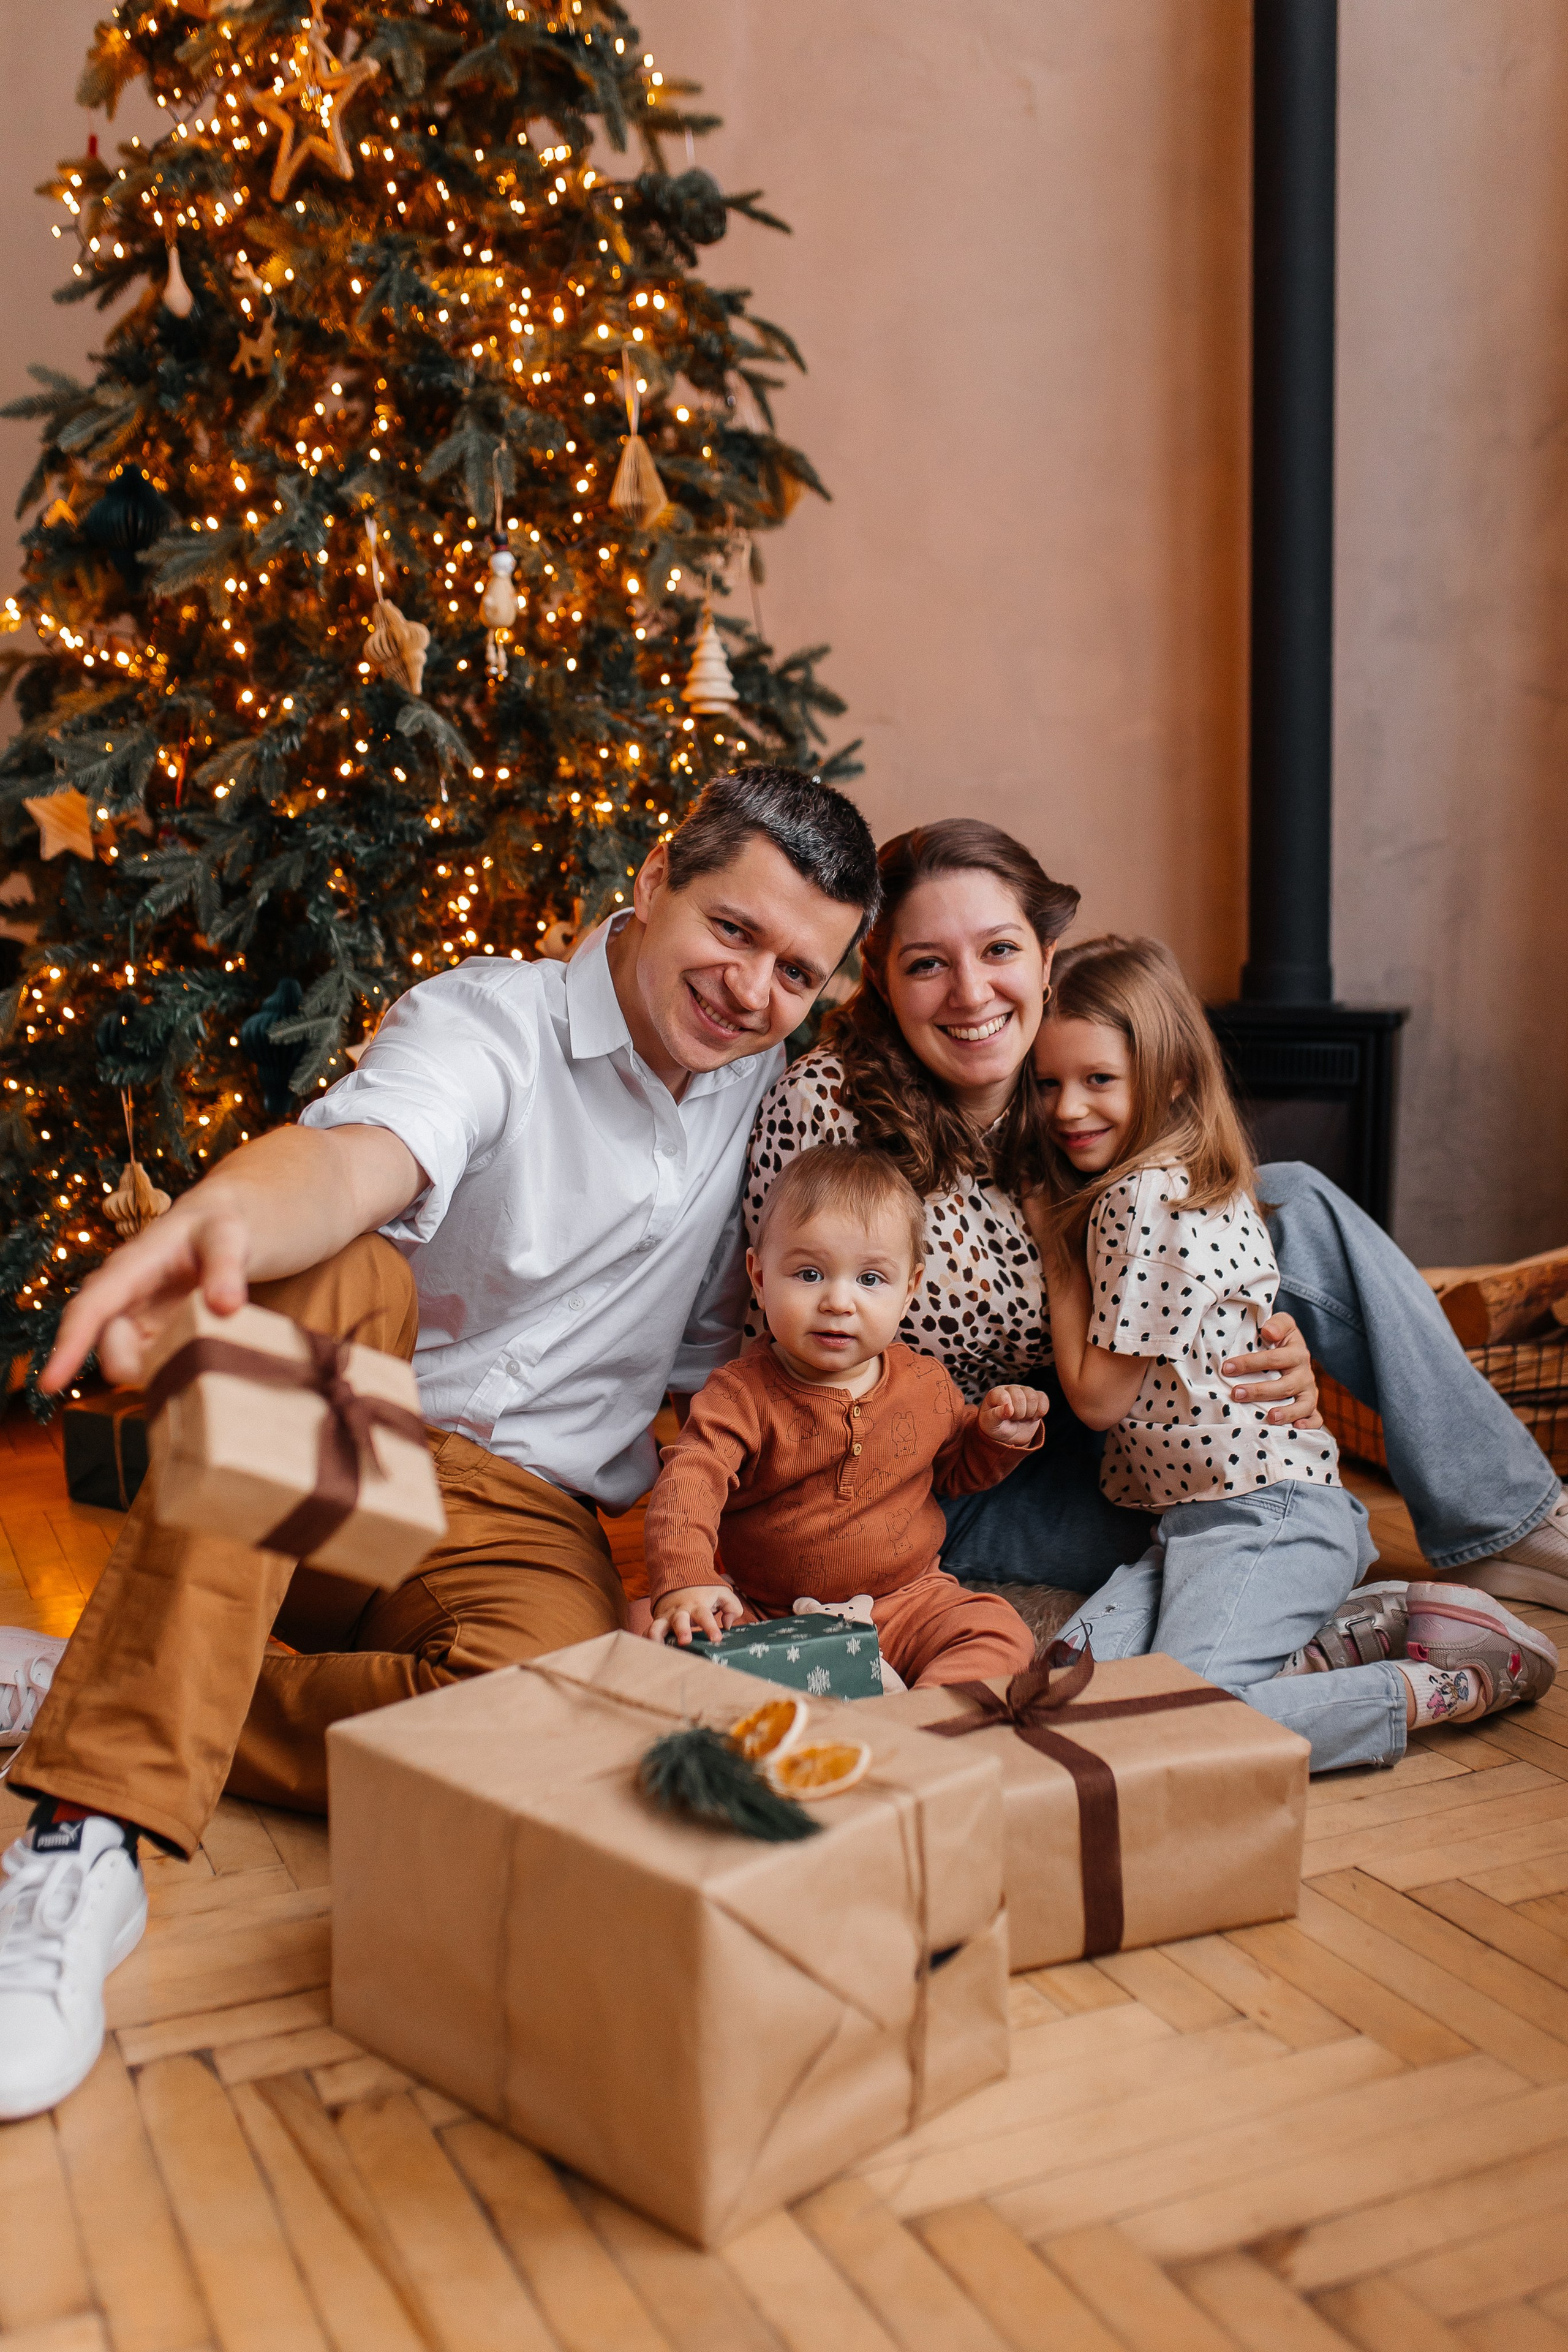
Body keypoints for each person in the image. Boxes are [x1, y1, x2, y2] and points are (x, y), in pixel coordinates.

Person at [0, 764, 881, 2122]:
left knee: (551, 1705)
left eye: (795, 972)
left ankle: (104, 1678)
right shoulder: (491, 1021)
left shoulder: (770, 1112)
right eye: (731, 930)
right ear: (653, 883)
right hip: (345, 1446)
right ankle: (89, 1839)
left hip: (517, 1514)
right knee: (343, 1277)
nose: (750, 989)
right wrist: (210, 1228)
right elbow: (355, 1159)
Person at [745, 817, 1568, 1618]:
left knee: (1293, 1201)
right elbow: (785, 1357)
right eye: (928, 964)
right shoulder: (829, 1109)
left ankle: (1507, 1525)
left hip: (1099, 1411)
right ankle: (1313, 1577)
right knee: (1252, 1502)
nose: (971, 992)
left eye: (999, 950)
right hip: (945, 1481)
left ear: (1046, 960)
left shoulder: (1066, 1082)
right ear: (881, 978)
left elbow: (1180, 1243)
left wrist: (1257, 1335)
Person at [1027, 936, 1556, 1771]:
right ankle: (1348, 1631)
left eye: (1099, 1080)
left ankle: (1434, 1685)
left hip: (1264, 1516)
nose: (1067, 1110)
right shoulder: (1180, 1179)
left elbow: (1097, 1401)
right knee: (1061, 1692)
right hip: (1196, 1528)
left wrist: (1054, 1257)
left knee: (1184, 1726)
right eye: (1049, 1083)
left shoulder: (1139, 1198)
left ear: (1169, 1074)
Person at [644, 1145, 1045, 1686]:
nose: (838, 1301)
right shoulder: (739, 1393)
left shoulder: (925, 1383)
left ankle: (921, 1720)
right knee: (649, 1632)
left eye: (871, 1280)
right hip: (770, 1612)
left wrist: (994, 1437)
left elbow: (954, 1472)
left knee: (1001, 1632)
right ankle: (827, 1694)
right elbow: (689, 1481)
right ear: (759, 1279)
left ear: (908, 1292)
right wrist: (687, 1578)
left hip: (904, 1603)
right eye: (809, 1274)